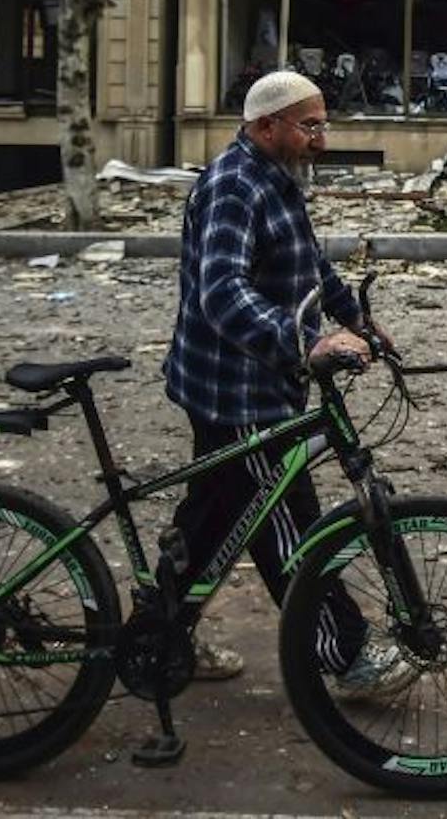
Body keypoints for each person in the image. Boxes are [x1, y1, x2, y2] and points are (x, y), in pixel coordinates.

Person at [159, 69, 413, 698]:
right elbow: (222, 292)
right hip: (238, 390)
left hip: (251, 383)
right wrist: (310, 343)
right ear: (266, 125)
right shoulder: (234, 187)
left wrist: (356, 317)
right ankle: (347, 654)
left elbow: (308, 267)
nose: (321, 139)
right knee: (289, 527)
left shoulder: (278, 181)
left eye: (324, 124)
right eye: (310, 126)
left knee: (210, 521)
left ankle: (160, 636)